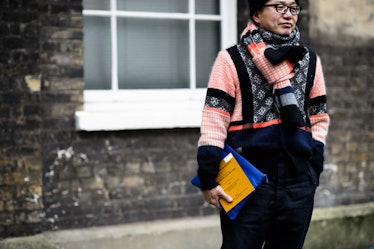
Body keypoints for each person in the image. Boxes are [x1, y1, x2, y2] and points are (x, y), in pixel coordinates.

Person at [196, 0, 330, 248]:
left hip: (297, 182)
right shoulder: (231, 60)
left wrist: (313, 169)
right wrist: (209, 179)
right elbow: (215, 120)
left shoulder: (309, 60)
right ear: (256, 14)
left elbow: (318, 116)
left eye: (292, 8)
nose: (288, 14)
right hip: (247, 180)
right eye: (279, 7)